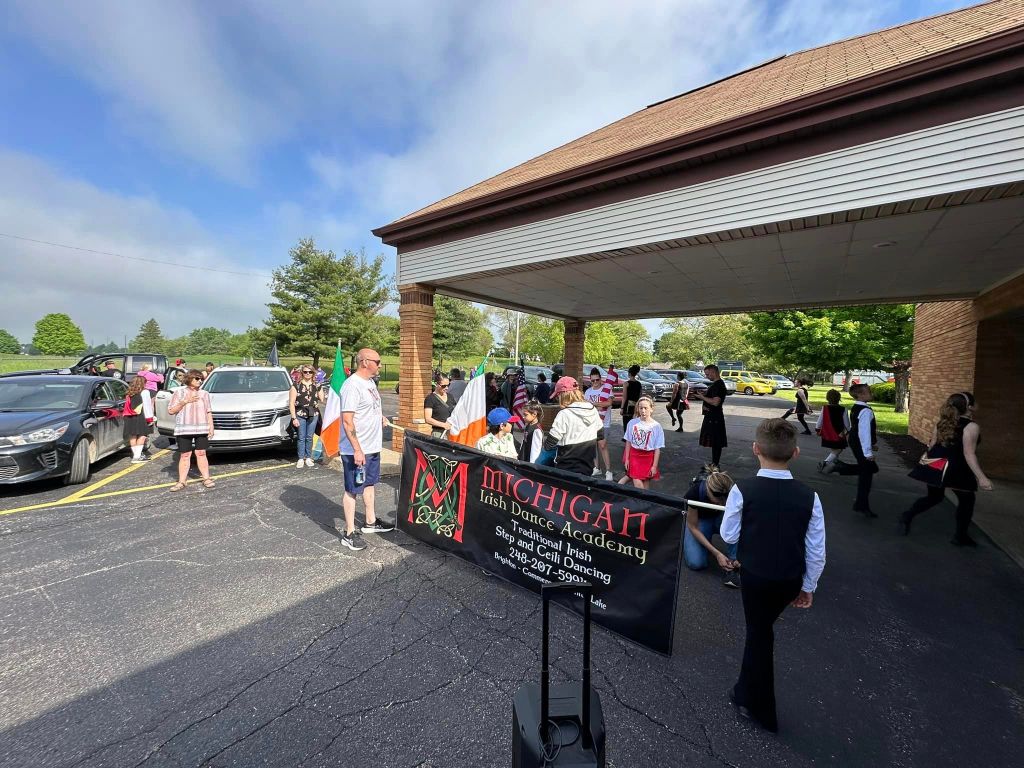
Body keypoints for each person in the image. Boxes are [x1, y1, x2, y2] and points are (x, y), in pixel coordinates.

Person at [721, 418, 826, 733]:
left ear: (755, 449)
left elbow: (729, 534)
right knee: (760, 631)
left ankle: (761, 709)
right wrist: (808, 586)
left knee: (759, 635)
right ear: (795, 453)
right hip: (789, 580)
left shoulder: (743, 489)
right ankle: (743, 691)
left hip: (756, 576)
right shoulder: (810, 496)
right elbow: (816, 549)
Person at [899, 392, 993, 545]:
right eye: (975, 402)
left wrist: (927, 463)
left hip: (937, 465)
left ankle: (907, 516)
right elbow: (969, 454)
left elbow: (932, 445)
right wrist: (982, 478)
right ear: (970, 407)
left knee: (934, 497)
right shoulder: (971, 426)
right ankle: (960, 536)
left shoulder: (942, 422)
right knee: (966, 501)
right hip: (958, 468)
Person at [338, 348, 395, 551]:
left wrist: (380, 417)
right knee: (352, 489)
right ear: (364, 362)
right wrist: (357, 450)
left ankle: (370, 522)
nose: (380, 365)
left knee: (369, 483)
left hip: (372, 446)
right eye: (377, 362)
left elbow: (369, 408)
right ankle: (349, 533)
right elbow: (347, 421)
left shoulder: (370, 383)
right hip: (356, 449)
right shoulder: (352, 385)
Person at [683, 470, 740, 588]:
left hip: (722, 518)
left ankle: (734, 562)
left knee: (734, 524)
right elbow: (693, 527)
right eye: (718, 501)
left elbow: (739, 522)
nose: (722, 504)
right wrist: (717, 553)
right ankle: (705, 541)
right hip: (701, 521)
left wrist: (741, 556)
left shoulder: (733, 491)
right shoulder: (694, 493)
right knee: (696, 563)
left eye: (725, 500)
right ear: (709, 492)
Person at [832, 383, 878, 517]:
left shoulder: (857, 407)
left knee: (870, 469)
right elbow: (864, 432)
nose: (871, 393)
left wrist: (870, 445)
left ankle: (841, 468)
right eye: (869, 391)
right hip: (859, 443)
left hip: (855, 441)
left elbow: (857, 428)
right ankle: (862, 505)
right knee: (867, 474)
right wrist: (867, 452)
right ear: (861, 395)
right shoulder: (865, 411)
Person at [543, 377, 604, 476]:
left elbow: (549, 444)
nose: (557, 399)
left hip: (566, 467)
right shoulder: (593, 409)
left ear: (562, 395)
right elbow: (600, 435)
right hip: (587, 465)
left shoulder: (564, 414)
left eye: (558, 396)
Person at [167, 369, 215, 491]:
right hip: (184, 429)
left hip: (201, 428)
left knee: (201, 453)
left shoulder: (204, 394)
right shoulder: (179, 393)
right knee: (185, 455)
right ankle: (182, 481)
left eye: (201, 379)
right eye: (197, 379)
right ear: (189, 379)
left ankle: (206, 478)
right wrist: (185, 401)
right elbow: (171, 410)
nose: (200, 381)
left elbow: (208, 411)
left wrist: (211, 426)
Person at [619, 396, 664, 490]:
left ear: (651, 409)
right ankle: (638, 498)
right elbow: (628, 442)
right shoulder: (632, 423)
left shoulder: (656, 426)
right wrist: (627, 459)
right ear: (638, 409)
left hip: (648, 457)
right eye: (641, 408)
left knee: (645, 482)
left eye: (646, 408)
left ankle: (644, 499)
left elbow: (657, 448)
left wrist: (654, 466)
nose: (643, 411)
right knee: (638, 483)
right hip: (634, 456)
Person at [290, 365, 325, 468]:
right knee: (301, 437)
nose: (308, 374)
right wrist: (294, 418)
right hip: (300, 413)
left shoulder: (316, 385)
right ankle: (301, 458)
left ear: (313, 373)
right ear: (302, 373)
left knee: (310, 437)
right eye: (305, 372)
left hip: (313, 413)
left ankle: (308, 457)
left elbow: (322, 399)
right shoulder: (296, 385)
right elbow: (291, 403)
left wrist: (320, 386)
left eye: (310, 372)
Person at [694, 364, 728, 470]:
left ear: (714, 372)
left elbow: (715, 402)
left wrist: (702, 397)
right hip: (713, 417)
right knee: (714, 442)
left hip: (715, 418)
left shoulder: (718, 385)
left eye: (708, 374)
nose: (707, 376)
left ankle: (715, 465)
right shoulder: (716, 384)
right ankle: (714, 464)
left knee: (716, 442)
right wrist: (705, 394)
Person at [583, 368, 614, 481]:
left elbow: (609, 403)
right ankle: (597, 468)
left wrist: (593, 404)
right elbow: (586, 406)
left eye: (597, 380)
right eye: (593, 380)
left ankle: (608, 471)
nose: (595, 382)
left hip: (604, 423)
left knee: (603, 445)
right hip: (591, 422)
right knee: (593, 445)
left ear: (601, 379)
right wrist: (598, 405)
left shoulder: (606, 389)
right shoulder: (588, 392)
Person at [816, 389, 851, 473]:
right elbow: (847, 424)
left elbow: (820, 421)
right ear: (839, 398)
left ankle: (834, 465)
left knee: (834, 450)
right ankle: (825, 462)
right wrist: (848, 432)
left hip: (828, 433)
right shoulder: (843, 409)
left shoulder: (825, 408)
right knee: (838, 449)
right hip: (839, 433)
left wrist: (818, 429)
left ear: (827, 398)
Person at [121, 376, 151, 464]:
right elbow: (145, 407)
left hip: (128, 417)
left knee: (133, 436)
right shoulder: (142, 393)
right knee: (142, 435)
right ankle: (137, 457)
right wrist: (150, 418)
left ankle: (136, 455)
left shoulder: (129, 393)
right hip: (139, 416)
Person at [621, 365, 642, 431]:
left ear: (629, 373)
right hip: (636, 406)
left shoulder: (626, 383)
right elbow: (640, 396)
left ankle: (627, 437)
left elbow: (624, 397)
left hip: (627, 407)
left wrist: (622, 408)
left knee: (627, 425)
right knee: (635, 425)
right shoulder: (639, 384)